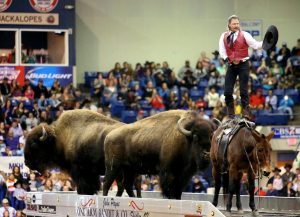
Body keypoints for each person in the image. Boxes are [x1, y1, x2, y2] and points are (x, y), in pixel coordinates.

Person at [219, 15, 263, 119]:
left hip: (243, 64)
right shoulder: (223, 36)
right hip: (231, 64)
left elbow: (256, 45)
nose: (236, 25)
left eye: (238, 23)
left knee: (243, 91)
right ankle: (231, 114)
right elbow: (222, 51)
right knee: (227, 92)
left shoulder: (245, 35)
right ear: (229, 25)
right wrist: (228, 60)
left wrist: (266, 42)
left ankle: (246, 113)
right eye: (234, 24)